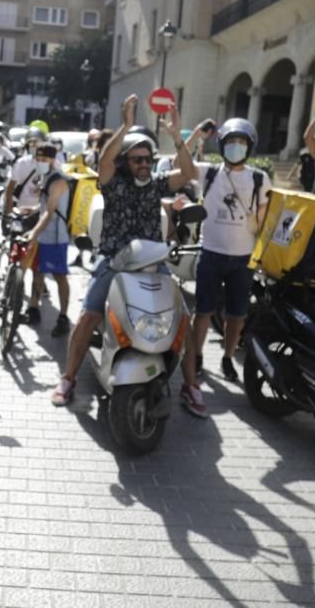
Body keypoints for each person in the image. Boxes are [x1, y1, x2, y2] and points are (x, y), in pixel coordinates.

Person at [49, 95, 200, 407]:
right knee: (89, 314)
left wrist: (177, 137)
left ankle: (190, 384)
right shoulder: (114, 182)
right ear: (126, 162)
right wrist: (126, 126)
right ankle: (68, 378)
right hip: (114, 261)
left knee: (184, 318)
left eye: (147, 158)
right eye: (137, 159)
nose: (144, 164)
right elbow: (104, 161)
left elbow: (188, 174)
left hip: (153, 263)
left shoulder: (157, 184)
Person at [182, 118, 270, 396]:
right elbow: (179, 165)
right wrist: (195, 133)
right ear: (221, 144)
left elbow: (264, 218)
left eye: (242, 142)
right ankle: (196, 356)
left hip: (243, 259)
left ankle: (228, 357)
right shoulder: (208, 173)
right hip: (211, 254)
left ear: (250, 147)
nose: (236, 147)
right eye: (231, 141)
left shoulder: (259, 178)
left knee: (237, 314)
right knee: (203, 311)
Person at [23, 143, 72, 338]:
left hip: (56, 236)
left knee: (59, 276)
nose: (40, 163)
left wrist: (34, 232)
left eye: (44, 160)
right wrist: (31, 210)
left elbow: (51, 212)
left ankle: (63, 317)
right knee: (37, 271)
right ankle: (33, 309)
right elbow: (44, 207)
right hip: (44, 234)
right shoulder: (46, 177)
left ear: (53, 160)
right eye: (38, 159)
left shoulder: (58, 181)